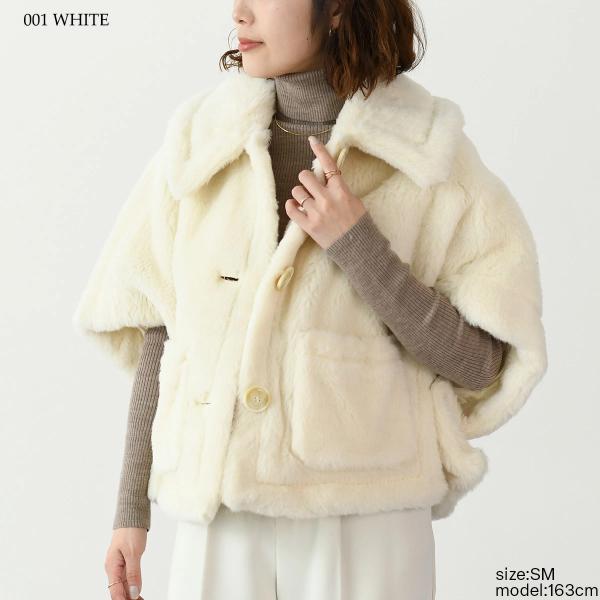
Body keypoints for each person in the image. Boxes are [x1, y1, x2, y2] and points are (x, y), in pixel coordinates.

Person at [72, 1, 548, 598]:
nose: (240, 12)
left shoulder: (428, 155)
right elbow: (161, 334)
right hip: (221, 512)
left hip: (366, 516)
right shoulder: (200, 143)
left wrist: (359, 246)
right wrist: (130, 513)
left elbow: (481, 363)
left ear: (338, 9)